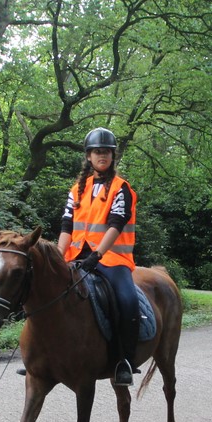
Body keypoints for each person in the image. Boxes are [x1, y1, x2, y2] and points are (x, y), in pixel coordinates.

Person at [58, 127, 139, 387]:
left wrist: (97, 255)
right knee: (42, 290)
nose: (101, 155)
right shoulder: (76, 190)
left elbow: (116, 224)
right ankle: (41, 356)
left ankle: (125, 361)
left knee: (128, 301)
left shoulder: (121, 188)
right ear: (88, 156)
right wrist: (59, 256)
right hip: (75, 256)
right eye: (96, 152)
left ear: (112, 156)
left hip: (111, 259)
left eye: (106, 152)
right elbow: (67, 226)